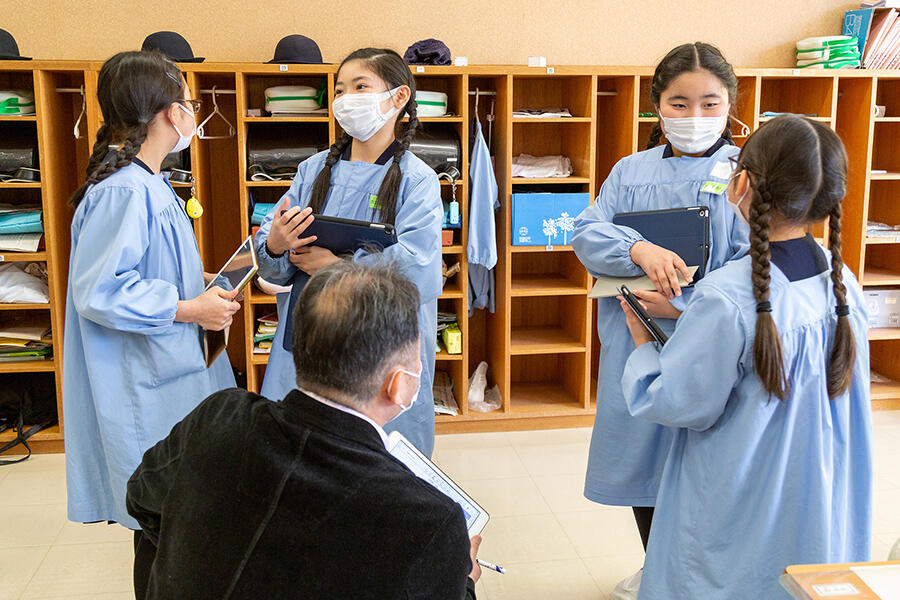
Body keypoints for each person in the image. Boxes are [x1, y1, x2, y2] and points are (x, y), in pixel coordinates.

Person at [619, 115, 872, 599]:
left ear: (741, 184)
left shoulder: (728, 296)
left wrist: (644, 343)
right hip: (818, 490)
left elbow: (676, 402)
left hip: (743, 495)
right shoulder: (842, 284)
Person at [127, 260, 482, 599]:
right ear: (398, 384)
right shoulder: (430, 522)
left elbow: (141, 499)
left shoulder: (219, 417)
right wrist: (463, 577)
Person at [571, 42, 750, 569]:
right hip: (635, 340)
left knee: (706, 469)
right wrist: (637, 249)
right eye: (679, 103)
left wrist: (688, 304)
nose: (695, 116)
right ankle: (657, 570)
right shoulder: (630, 171)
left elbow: (754, 264)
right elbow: (586, 232)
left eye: (710, 104)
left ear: (730, 105)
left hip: (711, 346)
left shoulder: (745, 173)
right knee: (643, 465)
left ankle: (692, 578)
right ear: (656, 106)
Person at [62, 51, 239, 536]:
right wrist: (191, 308)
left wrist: (202, 283)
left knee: (178, 513)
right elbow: (100, 291)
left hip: (170, 366)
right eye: (191, 104)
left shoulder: (152, 183)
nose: (193, 115)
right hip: (143, 377)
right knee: (160, 521)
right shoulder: (124, 191)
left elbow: (149, 268)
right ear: (171, 112)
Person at [255, 47, 442, 456]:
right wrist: (276, 244)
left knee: (377, 460)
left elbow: (421, 268)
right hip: (311, 334)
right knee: (301, 453)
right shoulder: (313, 171)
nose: (346, 99)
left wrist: (337, 266)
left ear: (399, 97)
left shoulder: (417, 180)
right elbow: (271, 261)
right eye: (340, 90)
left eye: (360, 87)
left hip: (380, 345)